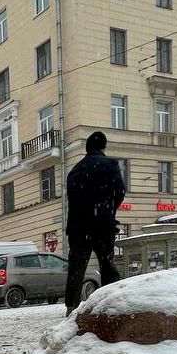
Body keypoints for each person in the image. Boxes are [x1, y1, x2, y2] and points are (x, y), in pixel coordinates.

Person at [63, 131, 125, 313]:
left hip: (77, 228)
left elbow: (72, 200)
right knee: (106, 264)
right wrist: (108, 211)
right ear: (103, 146)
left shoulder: (74, 171)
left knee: (76, 267)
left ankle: (71, 307)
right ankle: (109, 305)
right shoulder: (110, 165)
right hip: (102, 226)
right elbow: (120, 192)